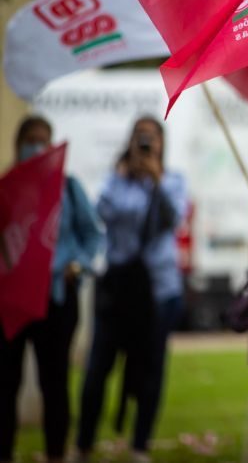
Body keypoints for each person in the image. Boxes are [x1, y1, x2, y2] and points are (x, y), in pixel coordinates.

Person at [76, 116, 188, 463]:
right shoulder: (117, 179)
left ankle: (140, 445)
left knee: (150, 369)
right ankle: (83, 443)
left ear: (162, 143)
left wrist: (155, 182)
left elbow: (173, 220)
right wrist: (126, 174)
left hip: (158, 290)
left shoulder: (172, 181)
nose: (146, 144)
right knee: (98, 368)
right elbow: (102, 212)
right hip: (119, 290)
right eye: (140, 138)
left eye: (151, 139)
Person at [0, 116, 103, 463]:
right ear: (18, 144)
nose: (37, 146)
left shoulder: (67, 187)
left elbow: (92, 235)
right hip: (11, 302)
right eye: (30, 139)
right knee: (5, 385)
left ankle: (56, 454)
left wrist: (79, 264)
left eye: (43, 140)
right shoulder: (7, 187)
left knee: (54, 383)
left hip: (57, 297)